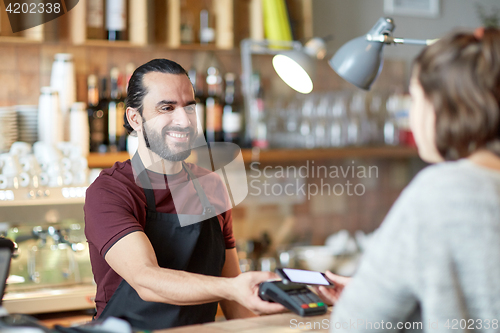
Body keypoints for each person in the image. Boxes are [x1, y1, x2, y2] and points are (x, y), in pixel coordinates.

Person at [318, 27, 500, 332]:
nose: (411, 114)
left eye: (414, 97)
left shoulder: (438, 193)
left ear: (443, 107)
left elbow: (355, 325)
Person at [84, 59, 285, 330]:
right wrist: (232, 288)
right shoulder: (111, 191)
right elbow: (146, 280)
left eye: (189, 107)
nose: (184, 120)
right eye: (166, 108)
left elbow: (235, 302)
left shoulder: (211, 187)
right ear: (135, 119)